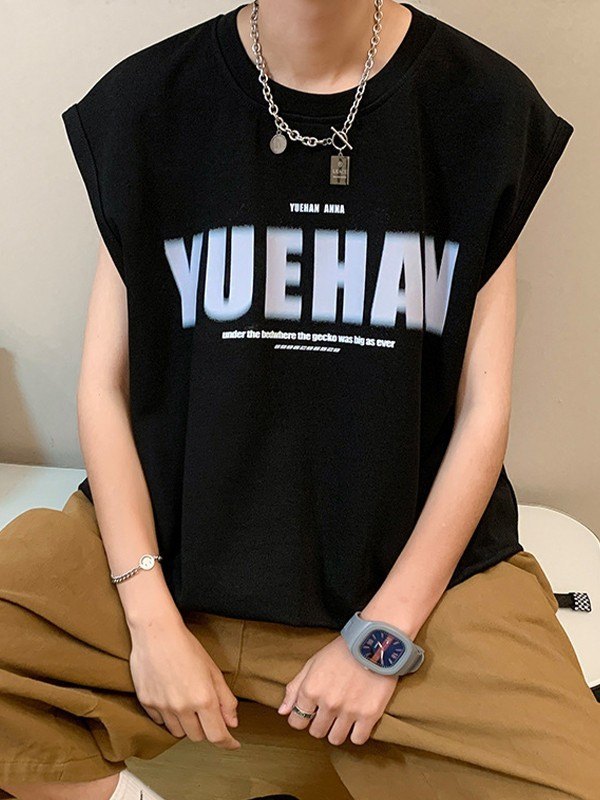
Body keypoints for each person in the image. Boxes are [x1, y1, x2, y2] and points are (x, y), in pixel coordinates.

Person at [0, 0, 598, 798]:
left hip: (410, 568)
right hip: (167, 549)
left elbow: (482, 412)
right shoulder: (147, 104)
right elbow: (103, 388)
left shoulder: (484, 108)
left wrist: (383, 634)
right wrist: (148, 616)